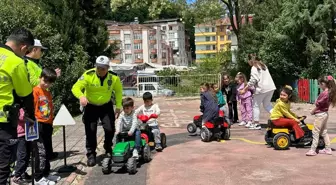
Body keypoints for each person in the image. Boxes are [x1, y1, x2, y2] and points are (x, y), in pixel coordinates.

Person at [0, 27, 36, 185]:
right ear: (23, 47)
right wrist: (31, 116)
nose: (25, 54)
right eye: (26, 51)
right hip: (3, 123)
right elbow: (26, 95)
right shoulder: (15, 62)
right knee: (2, 166)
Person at [71, 56, 122, 167]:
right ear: (95, 66)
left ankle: (108, 147)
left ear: (108, 68)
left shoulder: (114, 77)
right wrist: (81, 97)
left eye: (103, 68)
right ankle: (91, 154)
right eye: (98, 68)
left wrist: (118, 106)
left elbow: (118, 91)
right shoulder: (88, 75)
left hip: (106, 106)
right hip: (91, 106)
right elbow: (75, 88)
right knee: (91, 131)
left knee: (109, 129)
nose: (100, 70)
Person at [25, 39, 61, 161]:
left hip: (44, 105)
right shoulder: (26, 63)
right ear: (34, 49)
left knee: (46, 135)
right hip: (35, 105)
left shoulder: (35, 64)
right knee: (38, 139)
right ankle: (39, 159)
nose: (42, 53)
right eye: (41, 50)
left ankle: (48, 155)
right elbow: (34, 82)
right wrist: (51, 77)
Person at [240, 54, 276, 130]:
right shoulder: (264, 66)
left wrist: (245, 89)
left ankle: (256, 124)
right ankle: (278, 116)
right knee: (267, 105)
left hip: (261, 89)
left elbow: (253, 80)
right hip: (270, 88)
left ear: (250, 60)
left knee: (255, 106)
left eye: (248, 61)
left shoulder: (254, 68)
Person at [306, 75, 336, 156]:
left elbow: (318, 105)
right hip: (325, 114)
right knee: (324, 132)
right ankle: (328, 149)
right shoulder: (330, 92)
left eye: (319, 84)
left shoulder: (324, 93)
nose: (319, 86)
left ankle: (313, 150)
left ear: (323, 84)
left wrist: (312, 111)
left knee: (315, 131)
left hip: (320, 115)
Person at [12, 109, 32, 184]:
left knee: (27, 155)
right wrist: (31, 120)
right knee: (22, 155)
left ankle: (23, 173)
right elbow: (21, 117)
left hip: (27, 133)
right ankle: (17, 176)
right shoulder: (19, 107)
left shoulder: (25, 106)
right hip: (20, 134)